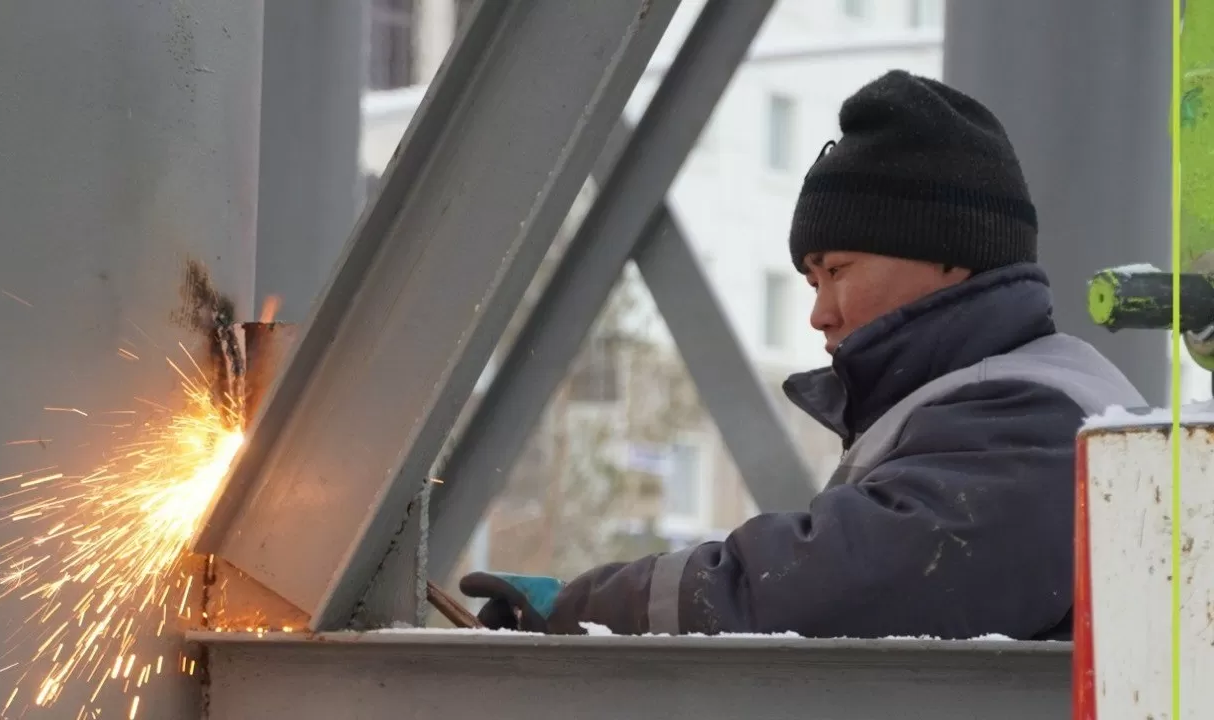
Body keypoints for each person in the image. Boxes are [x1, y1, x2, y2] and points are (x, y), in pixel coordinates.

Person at [459, 70, 1145, 640]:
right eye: (812, 279)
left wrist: (586, 610)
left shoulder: (1033, 416)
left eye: (838, 270)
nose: (820, 312)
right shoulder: (982, 403)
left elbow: (824, 594)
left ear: (948, 255)